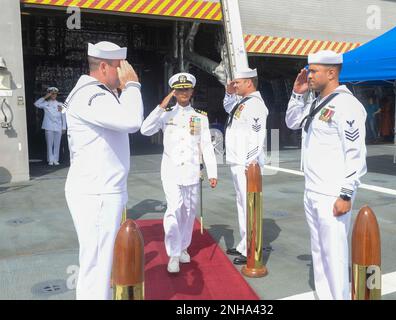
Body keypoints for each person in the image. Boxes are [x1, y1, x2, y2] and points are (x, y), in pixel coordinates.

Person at [64, 41, 144, 299]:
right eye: (120, 68)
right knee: (97, 272)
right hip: (97, 193)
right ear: (104, 66)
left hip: (101, 190)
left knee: (100, 266)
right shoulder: (92, 94)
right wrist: (132, 84)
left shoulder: (99, 94)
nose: (123, 73)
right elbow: (132, 121)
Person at [285, 50, 367, 300]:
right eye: (309, 70)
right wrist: (297, 93)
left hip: (332, 193)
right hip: (312, 189)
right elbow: (291, 122)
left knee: (335, 255)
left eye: (314, 71)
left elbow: (355, 153)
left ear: (331, 73)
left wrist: (346, 193)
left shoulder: (347, 105)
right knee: (319, 252)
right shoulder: (315, 101)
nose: (309, 75)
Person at [140, 72, 218, 273]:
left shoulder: (200, 117)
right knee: (174, 210)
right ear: (174, 92)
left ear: (192, 91)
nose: (183, 93)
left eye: (186, 89)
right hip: (171, 170)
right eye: (179, 90)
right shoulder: (165, 114)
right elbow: (145, 130)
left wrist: (212, 172)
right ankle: (173, 253)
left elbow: (207, 145)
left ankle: (183, 246)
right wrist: (160, 106)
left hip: (192, 170)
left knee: (189, 212)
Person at [223, 68, 268, 265]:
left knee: (249, 206)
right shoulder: (243, 103)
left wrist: (250, 164)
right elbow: (227, 108)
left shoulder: (256, 105)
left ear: (249, 82)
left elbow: (257, 137)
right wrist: (228, 92)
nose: (235, 85)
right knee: (242, 204)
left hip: (246, 164)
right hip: (237, 161)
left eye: (238, 83)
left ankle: (251, 246)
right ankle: (244, 244)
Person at [34, 87, 66, 165]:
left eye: (54, 94)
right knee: (49, 144)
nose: (53, 95)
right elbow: (36, 104)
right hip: (49, 126)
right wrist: (45, 97)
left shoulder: (60, 104)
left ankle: (56, 159)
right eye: (51, 94)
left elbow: (63, 116)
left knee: (57, 144)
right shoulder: (45, 103)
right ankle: (50, 160)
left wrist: (64, 127)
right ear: (49, 94)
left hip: (58, 126)